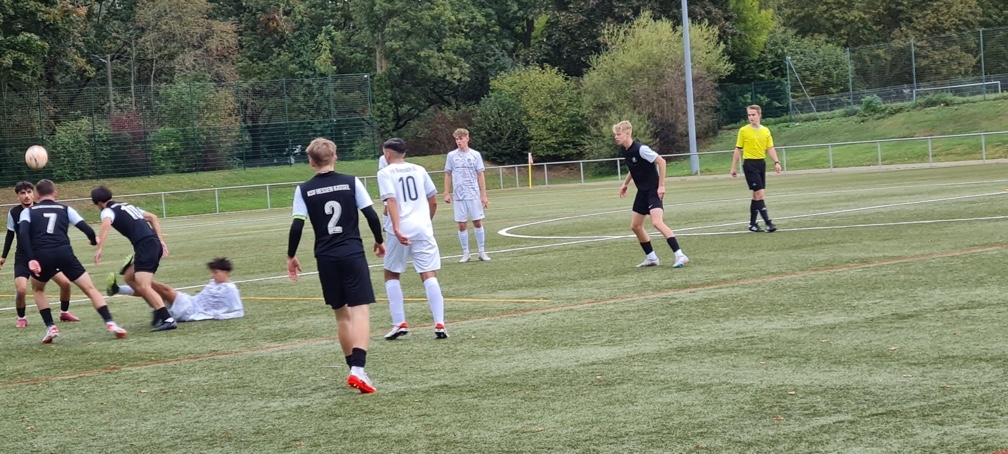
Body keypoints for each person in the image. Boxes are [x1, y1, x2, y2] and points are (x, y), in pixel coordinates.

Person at [286, 137, 385, 394]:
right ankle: (358, 369)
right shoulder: (351, 182)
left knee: (341, 314)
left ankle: (353, 369)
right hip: (351, 252)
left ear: (311, 162)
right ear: (335, 158)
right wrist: (379, 240)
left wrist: (291, 256)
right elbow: (370, 214)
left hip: (326, 257)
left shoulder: (303, 189)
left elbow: (297, 225)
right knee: (360, 310)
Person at [17, 179, 128, 343]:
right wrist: (92, 240)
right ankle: (110, 323)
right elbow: (87, 229)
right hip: (64, 254)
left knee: (38, 289)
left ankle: (51, 327)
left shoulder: (27, 212)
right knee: (90, 288)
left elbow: (23, 235)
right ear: (55, 194)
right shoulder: (66, 209)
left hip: (41, 255)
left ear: (37, 195)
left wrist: (31, 259)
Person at [376, 138, 448, 340]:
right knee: (428, 273)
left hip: (399, 230)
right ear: (405, 153)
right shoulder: (419, 169)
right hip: (422, 229)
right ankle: (440, 323)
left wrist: (397, 228)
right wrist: (426, 222)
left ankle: (399, 323)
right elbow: (433, 200)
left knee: (391, 274)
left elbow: (391, 200)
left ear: (387, 154)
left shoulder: (385, 172)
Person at [90, 186, 177, 331]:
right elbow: (153, 217)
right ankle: (157, 309)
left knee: (144, 286)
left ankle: (167, 318)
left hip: (145, 247)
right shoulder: (127, 206)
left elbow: (106, 224)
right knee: (130, 277)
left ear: (98, 202)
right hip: (151, 244)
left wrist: (99, 248)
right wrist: (160, 241)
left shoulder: (107, 211)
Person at [2, 181, 79, 327]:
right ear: (18, 196)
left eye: (29, 192)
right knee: (21, 289)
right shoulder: (14, 213)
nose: (26, 196)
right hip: (23, 257)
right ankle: (22, 318)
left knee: (65, 283)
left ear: (34, 194)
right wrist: (3, 256)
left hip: (42, 255)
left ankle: (64, 312)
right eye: (22, 193)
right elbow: (10, 234)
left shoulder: (40, 209)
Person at [614, 120, 689, 268]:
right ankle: (652, 258)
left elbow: (661, 162)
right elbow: (633, 168)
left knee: (657, 222)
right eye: (615, 134)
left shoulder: (641, 149)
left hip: (653, 190)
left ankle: (680, 255)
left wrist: (661, 186)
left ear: (627, 134)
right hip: (642, 192)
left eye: (619, 134)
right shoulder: (625, 150)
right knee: (635, 226)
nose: (616, 137)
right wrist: (625, 184)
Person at [106, 257, 244, 322]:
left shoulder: (230, 289)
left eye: (215, 272)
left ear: (225, 272)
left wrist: (224, 316)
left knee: (163, 289)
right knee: (152, 292)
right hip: (190, 302)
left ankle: (135, 273)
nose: (212, 275)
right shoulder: (214, 282)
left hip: (192, 311)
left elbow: (239, 312)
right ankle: (118, 289)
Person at [730, 104, 781, 232]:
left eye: (753, 115)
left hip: (761, 164)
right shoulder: (744, 131)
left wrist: (776, 162)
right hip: (750, 164)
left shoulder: (766, 131)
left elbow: (770, 148)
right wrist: (733, 167)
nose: (751, 117)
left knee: (756, 195)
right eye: (749, 115)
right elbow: (738, 149)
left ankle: (752, 224)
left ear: (759, 115)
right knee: (760, 193)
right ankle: (768, 223)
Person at [443, 128, 490, 263]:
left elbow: (480, 175)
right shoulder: (451, 156)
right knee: (461, 224)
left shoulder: (475, 155)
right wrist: (446, 192)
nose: (459, 141)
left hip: (473, 194)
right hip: (459, 195)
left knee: (477, 222)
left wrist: (483, 195)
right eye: (457, 139)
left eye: (461, 139)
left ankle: (482, 251)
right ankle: (466, 253)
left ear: (467, 139)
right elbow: (448, 174)